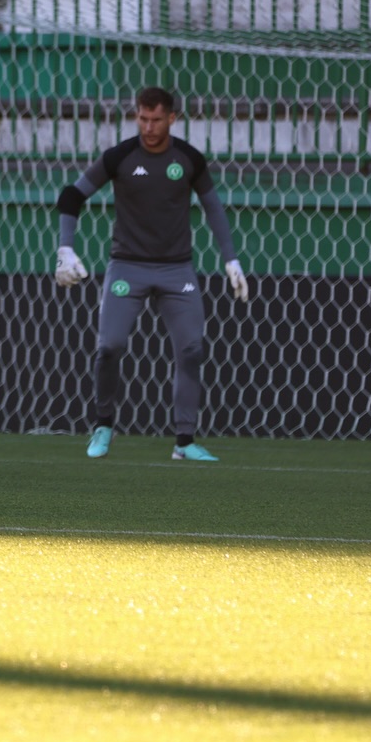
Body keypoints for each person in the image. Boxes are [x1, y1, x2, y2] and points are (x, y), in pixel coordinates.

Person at [53, 86, 249, 462]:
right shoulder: (120, 156)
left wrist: (231, 259)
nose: (149, 127)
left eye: (156, 119)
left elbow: (213, 209)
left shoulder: (189, 159)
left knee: (192, 349)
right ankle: (104, 425)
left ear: (172, 118)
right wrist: (65, 248)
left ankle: (185, 441)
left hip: (178, 269)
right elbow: (71, 195)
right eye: (142, 118)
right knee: (109, 346)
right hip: (127, 266)